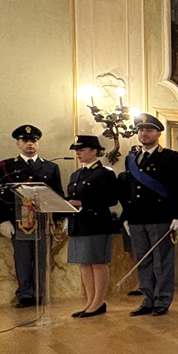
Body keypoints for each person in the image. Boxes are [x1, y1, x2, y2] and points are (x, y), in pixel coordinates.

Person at [121, 113, 178, 316]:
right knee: (143, 260)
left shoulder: (169, 157)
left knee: (162, 261)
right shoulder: (131, 158)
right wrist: (126, 217)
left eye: (149, 130)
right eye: (140, 130)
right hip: (137, 218)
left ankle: (162, 299)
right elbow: (129, 191)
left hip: (160, 216)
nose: (144, 133)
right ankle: (148, 299)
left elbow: (177, 187)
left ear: (158, 133)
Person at [0, 124, 64, 307]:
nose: (29, 144)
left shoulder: (50, 167)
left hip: (42, 221)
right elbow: (0, 195)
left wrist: (60, 219)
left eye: (33, 140)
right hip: (19, 221)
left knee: (42, 259)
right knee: (23, 259)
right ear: (18, 143)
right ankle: (25, 294)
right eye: (25, 140)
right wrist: (4, 220)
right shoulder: (6, 166)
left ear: (38, 143)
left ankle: (40, 293)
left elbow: (57, 194)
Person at [66, 135, 118, 318]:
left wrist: (83, 202)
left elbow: (111, 199)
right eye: (76, 150)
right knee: (84, 263)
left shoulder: (104, 173)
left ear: (94, 151)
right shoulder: (76, 174)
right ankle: (90, 301)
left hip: (96, 223)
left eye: (82, 150)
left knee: (97, 262)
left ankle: (98, 302)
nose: (78, 153)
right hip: (78, 223)